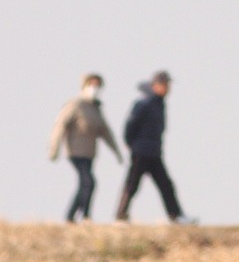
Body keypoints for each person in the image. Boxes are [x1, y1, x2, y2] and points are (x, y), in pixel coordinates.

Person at [115, 70, 197, 224]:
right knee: (132, 184)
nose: (167, 88)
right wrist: (133, 145)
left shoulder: (160, 105)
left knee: (166, 185)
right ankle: (121, 216)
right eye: (164, 84)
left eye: (168, 85)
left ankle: (176, 216)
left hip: (154, 153)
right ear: (155, 86)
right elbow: (130, 127)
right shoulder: (144, 104)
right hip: (141, 152)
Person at [49, 73, 123, 223]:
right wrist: (54, 149)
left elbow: (105, 132)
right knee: (89, 182)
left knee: (85, 184)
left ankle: (70, 217)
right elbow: (60, 125)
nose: (94, 88)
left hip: (89, 153)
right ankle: (85, 215)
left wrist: (117, 152)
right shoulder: (75, 105)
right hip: (76, 152)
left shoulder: (96, 108)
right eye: (92, 85)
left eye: (97, 85)